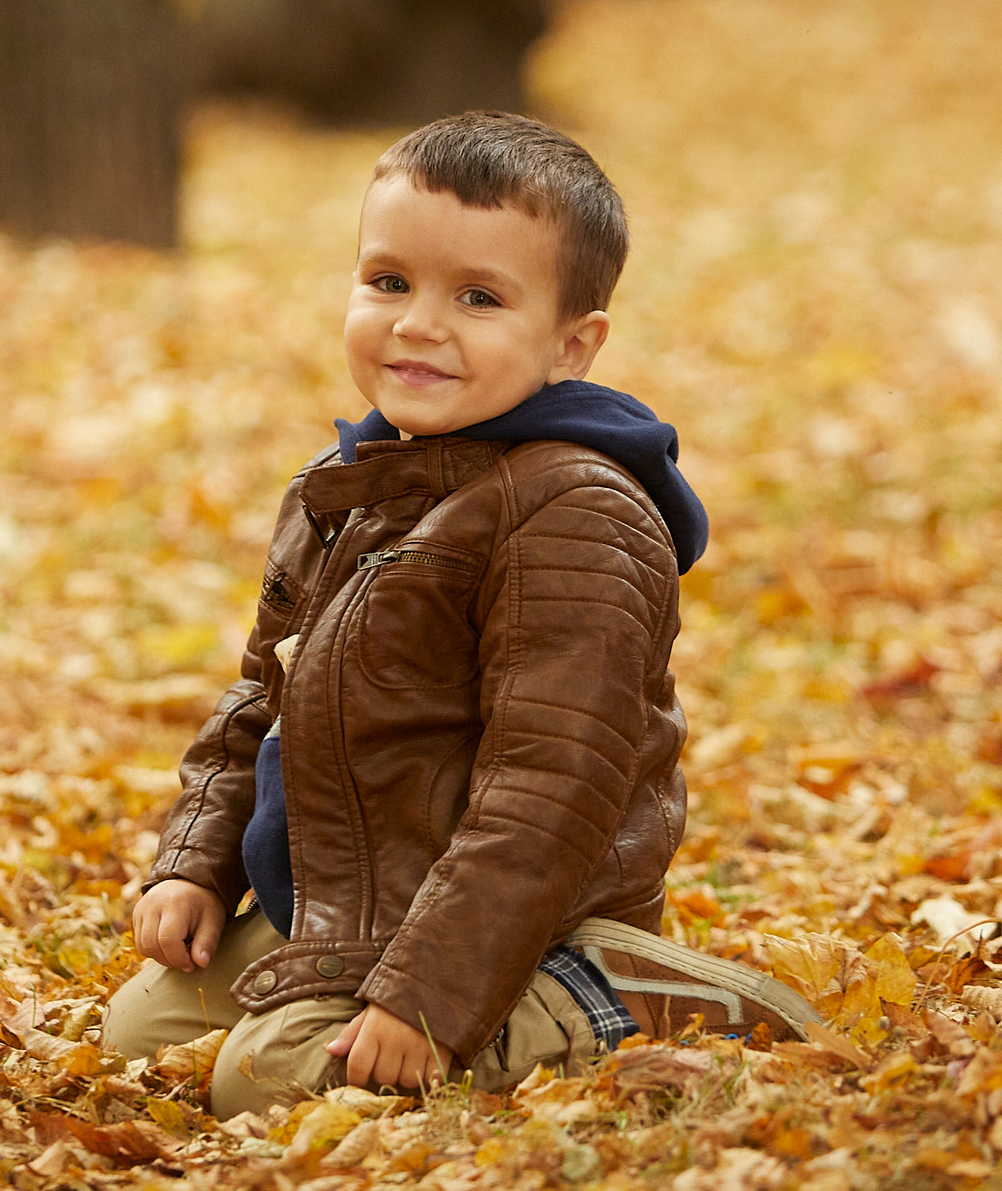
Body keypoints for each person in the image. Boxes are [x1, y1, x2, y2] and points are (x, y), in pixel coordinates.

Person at [105, 112, 817, 1118]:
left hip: (524, 921)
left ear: (571, 343)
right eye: (387, 281)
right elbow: (260, 698)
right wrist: (198, 862)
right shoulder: (348, 482)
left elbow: (549, 789)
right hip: (353, 896)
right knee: (136, 1035)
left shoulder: (573, 510)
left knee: (263, 1085)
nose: (416, 324)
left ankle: (622, 1000)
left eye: (476, 297)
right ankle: (348, 981)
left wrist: (426, 1000)